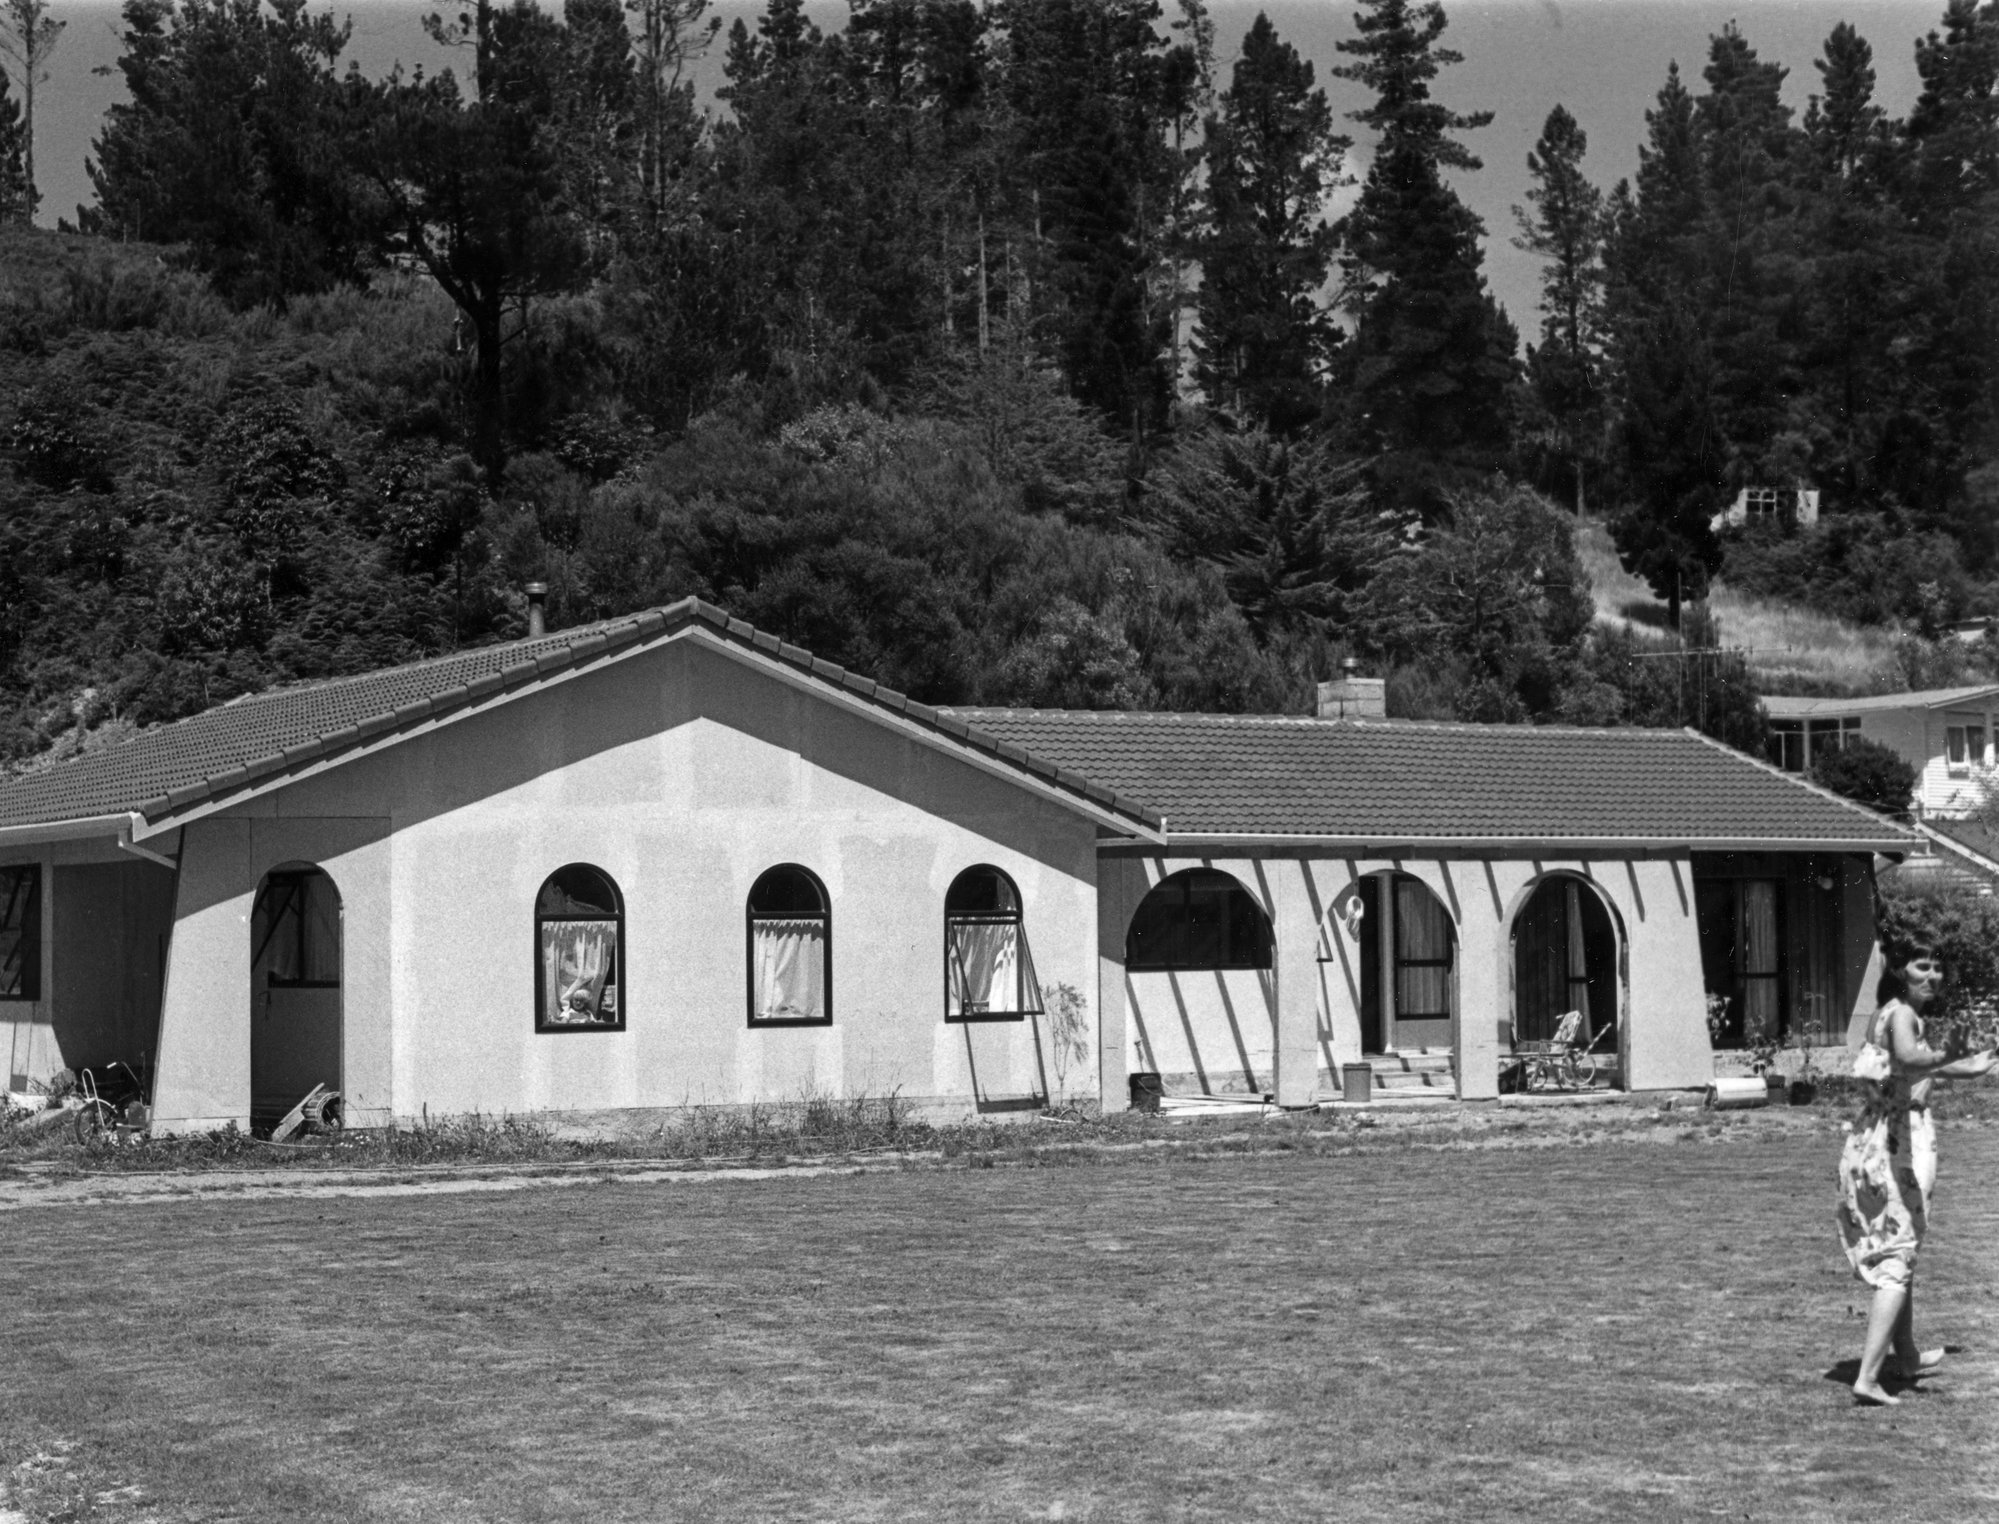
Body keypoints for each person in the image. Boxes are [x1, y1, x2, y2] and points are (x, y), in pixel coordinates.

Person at [1836, 942, 1997, 1405]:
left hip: (1874, 1139)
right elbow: (1909, 1060)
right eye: (1921, 966)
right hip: (1899, 1144)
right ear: (1899, 971)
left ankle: (1905, 1355)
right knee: (1899, 1254)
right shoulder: (1905, 1015)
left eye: (1938, 968)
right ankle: (1868, 1378)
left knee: (1899, 1249)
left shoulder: (1886, 1012)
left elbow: (1908, 1069)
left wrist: (1971, 1064)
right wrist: (1946, 1054)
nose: (1932, 975)